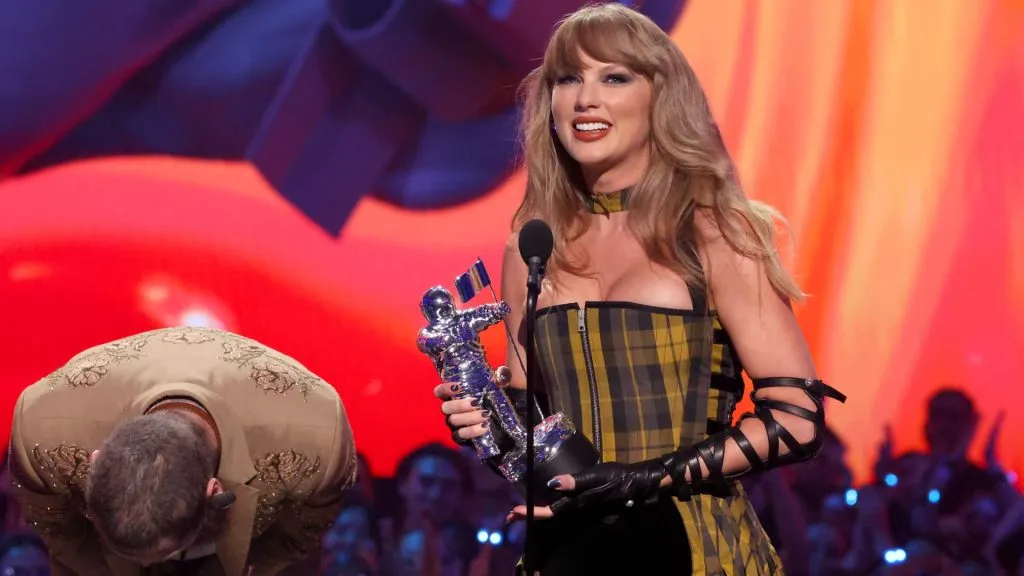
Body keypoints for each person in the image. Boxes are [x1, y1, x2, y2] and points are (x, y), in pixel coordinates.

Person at [434, 3, 846, 574]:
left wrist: (638, 479)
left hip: (691, 545)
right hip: (569, 552)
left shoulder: (715, 233)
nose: (585, 99)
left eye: (615, 77)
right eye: (568, 78)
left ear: (659, 98)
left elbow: (796, 419)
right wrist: (488, 425)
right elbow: (533, 418)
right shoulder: (530, 247)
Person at [8, 326, 357, 575]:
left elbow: (297, 540)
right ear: (95, 464)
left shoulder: (315, 442)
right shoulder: (43, 432)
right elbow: (63, 536)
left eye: (162, 553)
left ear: (214, 492)